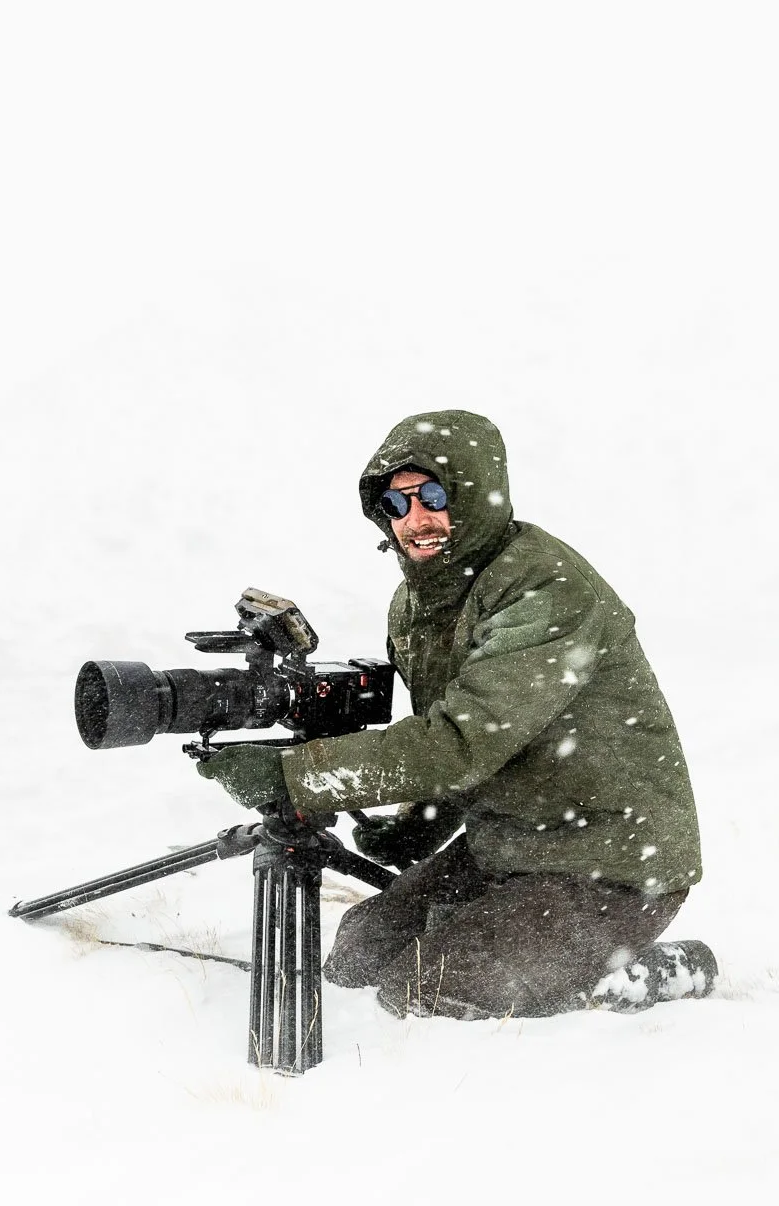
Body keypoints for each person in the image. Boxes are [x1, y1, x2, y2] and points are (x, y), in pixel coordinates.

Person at [196, 409, 716, 1020]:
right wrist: (423, 822)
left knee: (433, 987)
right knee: (358, 956)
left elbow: (460, 741)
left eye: (432, 495)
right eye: (395, 503)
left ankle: (646, 974)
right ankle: (544, 960)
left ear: (473, 497)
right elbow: (469, 742)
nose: (414, 519)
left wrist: (293, 776)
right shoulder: (417, 604)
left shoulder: (545, 591)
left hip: (611, 862)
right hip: (505, 842)